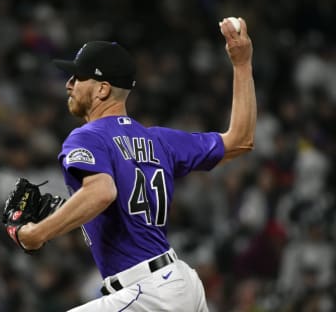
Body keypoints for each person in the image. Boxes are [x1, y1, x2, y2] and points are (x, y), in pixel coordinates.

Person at [16, 17, 256, 311]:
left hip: (148, 292)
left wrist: (35, 234)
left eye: (78, 77)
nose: (69, 84)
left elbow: (102, 192)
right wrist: (242, 64)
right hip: (180, 284)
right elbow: (241, 140)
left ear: (102, 90)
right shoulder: (159, 140)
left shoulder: (87, 137)